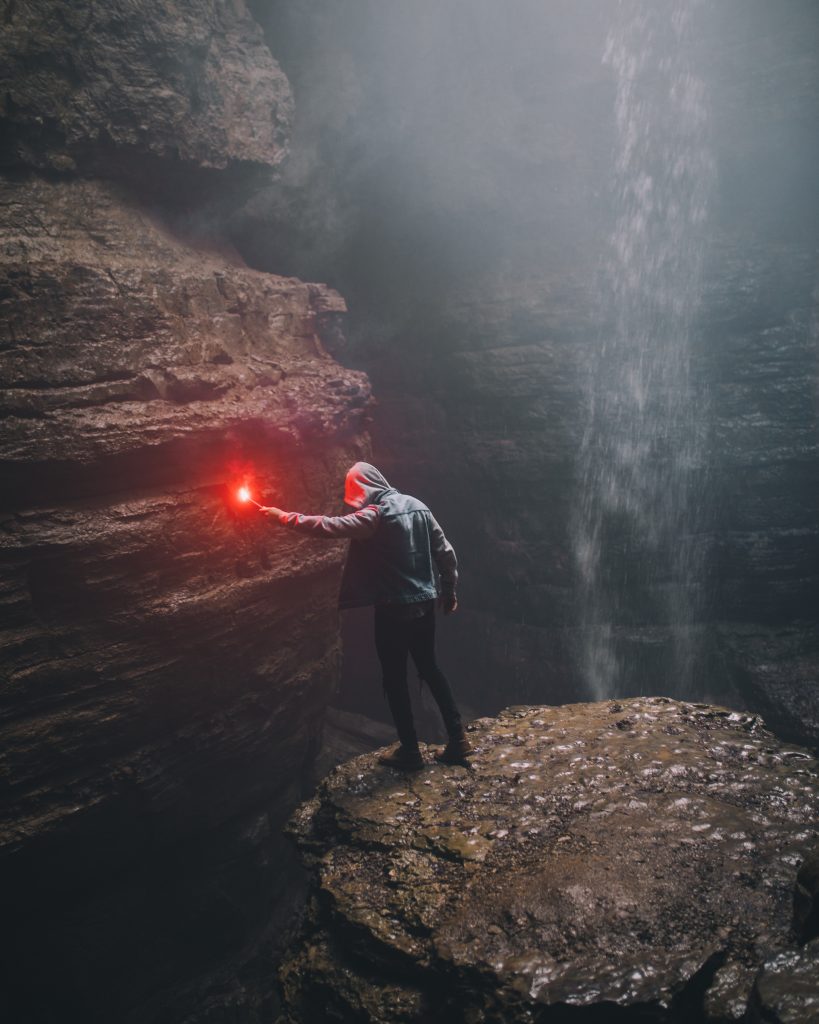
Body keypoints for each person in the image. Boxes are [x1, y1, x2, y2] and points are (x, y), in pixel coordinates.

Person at [259, 462, 472, 770]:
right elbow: (446, 553)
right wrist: (449, 591)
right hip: (426, 605)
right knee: (430, 668)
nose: (353, 499)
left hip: (393, 609)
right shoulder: (418, 506)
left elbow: (329, 526)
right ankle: (458, 739)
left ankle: (410, 751)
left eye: (354, 492)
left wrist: (283, 518)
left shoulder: (375, 516)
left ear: (364, 489)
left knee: (395, 679)